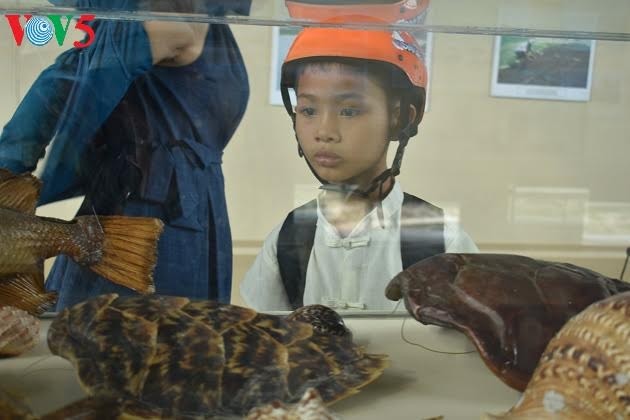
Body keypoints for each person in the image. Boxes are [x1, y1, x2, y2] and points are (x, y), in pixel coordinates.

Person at [0, 0, 251, 309]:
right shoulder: (173, 23)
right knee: (128, 337)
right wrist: (8, 173)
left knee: (173, 340)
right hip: (152, 207)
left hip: (186, 203)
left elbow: (67, 79)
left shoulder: (202, 22)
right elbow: (64, 82)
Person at [240, 26, 478, 312]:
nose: (324, 132)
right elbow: (264, 338)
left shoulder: (441, 240)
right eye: (308, 110)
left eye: (349, 111)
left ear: (401, 116)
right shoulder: (287, 238)